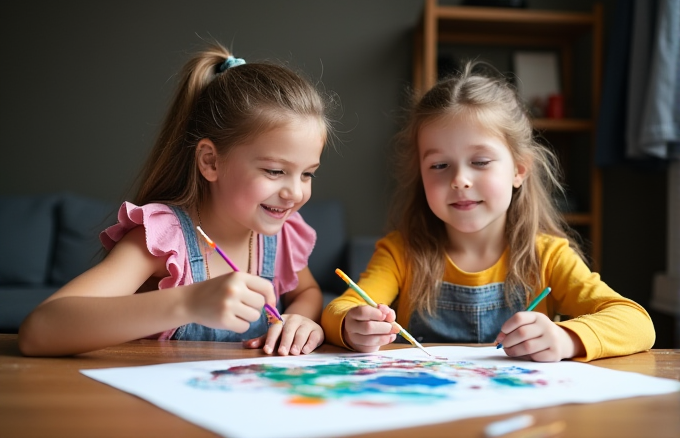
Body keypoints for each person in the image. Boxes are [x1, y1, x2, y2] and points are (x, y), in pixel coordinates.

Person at [322, 61, 655, 362]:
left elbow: (637, 322)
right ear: (419, 175)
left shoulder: (548, 256)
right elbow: (340, 309)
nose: (460, 180)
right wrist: (354, 326)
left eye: (480, 162)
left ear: (519, 170)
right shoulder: (400, 253)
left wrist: (566, 338)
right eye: (439, 165)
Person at [19, 43, 332, 357]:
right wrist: (189, 302)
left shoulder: (281, 235)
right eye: (275, 171)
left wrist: (300, 321)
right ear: (210, 161)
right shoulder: (163, 238)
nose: (295, 193)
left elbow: (306, 290)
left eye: (307, 174)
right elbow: (40, 330)